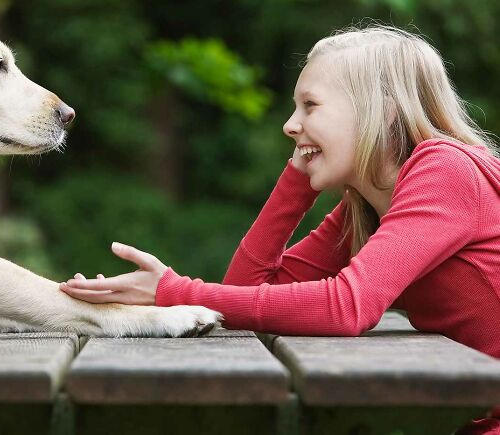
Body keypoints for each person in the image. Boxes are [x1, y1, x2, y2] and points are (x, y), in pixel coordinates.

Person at [59, 24, 500, 433]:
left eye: (310, 105)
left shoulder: (445, 170)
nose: (290, 125)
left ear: (380, 111)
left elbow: (346, 307)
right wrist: (296, 181)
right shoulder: (365, 208)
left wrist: (173, 292)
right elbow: (246, 289)